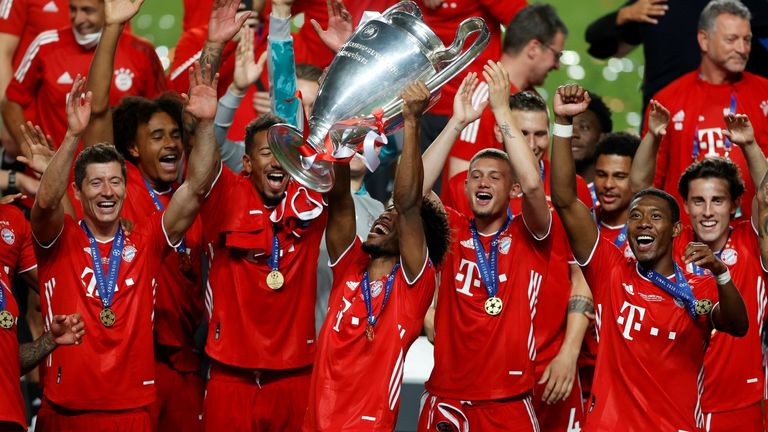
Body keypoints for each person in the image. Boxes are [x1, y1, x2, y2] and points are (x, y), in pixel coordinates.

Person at [30, 55, 219, 431]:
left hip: (132, 409)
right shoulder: (59, 239)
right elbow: (47, 202)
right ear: (79, 191)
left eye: (116, 182)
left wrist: (207, 125)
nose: (108, 191)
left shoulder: (147, 237)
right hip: (67, 409)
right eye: (96, 183)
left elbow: (196, 187)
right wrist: (71, 137)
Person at [81, 0, 246, 429]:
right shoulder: (123, 185)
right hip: (128, 360)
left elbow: (202, 114)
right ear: (133, 149)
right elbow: (98, 111)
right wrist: (114, 28)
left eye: (175, 135)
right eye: (157, 136)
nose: (171, 143)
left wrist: (213, 45)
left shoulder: (193, 190)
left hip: (186, 365)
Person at [549, 83, 748, 431]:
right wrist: (563, 124)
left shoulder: (697, 290)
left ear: (675, 230)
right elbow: (565, 200)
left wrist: (722, 274)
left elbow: (737, 324)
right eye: (636, 216)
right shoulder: (610, 270)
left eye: (656, 217)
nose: (643, 222)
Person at [303, 81, 449, 430]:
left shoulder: (412, 288)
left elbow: (409, 203)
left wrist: (412, 122)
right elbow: (339, 202)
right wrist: (339, 132)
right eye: (384, 214)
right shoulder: (349, 267)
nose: (384, 216)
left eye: (394, 219)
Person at [417, 61, 553, 432]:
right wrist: (457, 123)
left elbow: (534, 186)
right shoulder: (452, 231)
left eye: (495, 177)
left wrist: (501, 111)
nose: (483, 182)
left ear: (511, 191)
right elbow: (412, 193)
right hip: (445, 397)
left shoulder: (531, 236)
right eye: (476, 176)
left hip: (507, 401)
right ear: (464, 188)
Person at [631, 104, 768, 431]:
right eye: (698, 201)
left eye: (717, 201)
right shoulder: (673, 245)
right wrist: (652, 136)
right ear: (685, 206)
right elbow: (638, 190)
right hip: (676, 403)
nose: (707, 212)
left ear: (735, 205)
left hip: (739, 405)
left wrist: (749, 145)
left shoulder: (753, 242)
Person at [644, 0, 768, 223]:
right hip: (683, 244)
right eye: (731, 39)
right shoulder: (666, 100)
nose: (742, 49)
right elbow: (647, 186)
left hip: (750, 243)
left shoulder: (765, 94)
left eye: (747, 40)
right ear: (704, 40)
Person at [1, 0, 168, 157]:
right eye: (73, 9)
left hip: (117, 179)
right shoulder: (45, 45)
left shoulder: (141, 52)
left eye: (87, 10)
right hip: (57, 177)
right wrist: (28, 149)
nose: (78, 19)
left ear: (107, 7)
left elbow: (161, 112)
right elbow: (10, 101)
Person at [447, 4, 566, 180]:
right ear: (533, 48)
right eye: (556, 56)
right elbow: (460, 180)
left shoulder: (533, 100)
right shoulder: (482, 97)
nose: (557, 65)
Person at [415, 0, 525, 154]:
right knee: (419, 174)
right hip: (422, 100)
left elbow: (525, 25)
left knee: (471, 175)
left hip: (473, 107)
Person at [571, 92, 612, 203]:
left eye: (584, 127)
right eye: (567, 126)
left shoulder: (612, 196)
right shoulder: (544, 188)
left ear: (603, 138)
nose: (573, 133)